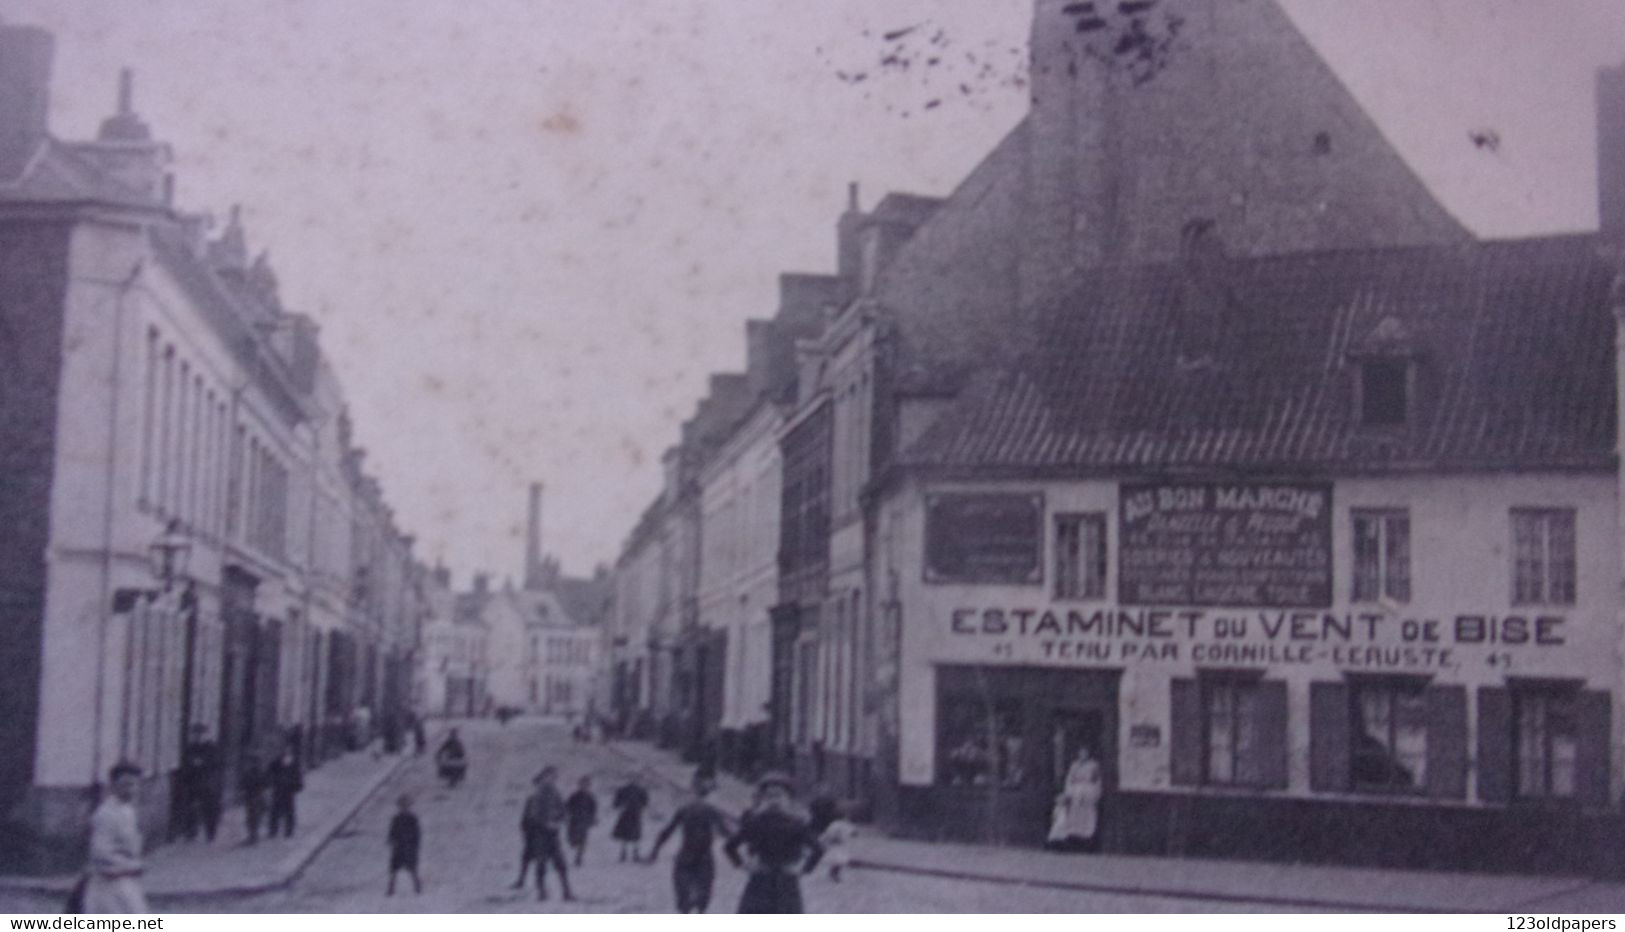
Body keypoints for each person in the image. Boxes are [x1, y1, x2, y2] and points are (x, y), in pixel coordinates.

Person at [724, 771, 823, 914]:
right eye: (770, 796)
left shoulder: (794, 825)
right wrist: (744, 865)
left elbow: (818, 849)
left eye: (779, 796)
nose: (774, 800)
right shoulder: (756, 823)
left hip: (778, 881)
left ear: (789, 799)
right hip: (768, 880)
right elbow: (730, 846)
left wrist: (803, 869)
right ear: (763, 799)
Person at [649, 770, 733, 913]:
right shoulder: (712, 811)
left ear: (693, 793)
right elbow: (727, 833)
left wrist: (655, 851)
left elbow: (667, 832)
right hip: (705, 858)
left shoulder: (685, 810)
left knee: (684, 899)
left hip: (686, 856)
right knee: (702, 898)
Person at [82, 761, 150, 913]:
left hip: (126, 884)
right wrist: (132, 866)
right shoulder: (106, 814)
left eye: (134, 785)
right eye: (125, 784)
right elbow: (100, 853)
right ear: (112, 785)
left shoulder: (127, 811)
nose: (131, 790)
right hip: (108, 886)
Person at [520, 767, 574, 901]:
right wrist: (546, 822)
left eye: (553, 777)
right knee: (541, 863)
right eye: (548, 777)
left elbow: (563, 811)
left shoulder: (556, 793)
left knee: (560, 863)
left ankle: (566, 892)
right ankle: (541, 892)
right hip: (540, 834)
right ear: (543, 778)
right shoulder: (537, 796)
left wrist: (562, 819)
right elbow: (533, 815)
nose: (551, 780)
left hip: (553, 834)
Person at [1046, 746, 1103, 853]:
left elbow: (1097, 781)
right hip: (1075, 794)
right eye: (1081, 752)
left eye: (1085, 752)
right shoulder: (1074, 765)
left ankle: (1087, 839)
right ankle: (1074, 839)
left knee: (1087, 818)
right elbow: (1069, 779)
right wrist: (1068, 792)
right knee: (1073, 817)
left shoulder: (1093, 765)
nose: (1083, 755)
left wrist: (1095, 793)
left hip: (1088, 794)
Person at [177, 725, 221, 843]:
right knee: (191, 807)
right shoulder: (190, 748)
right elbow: (185, 762)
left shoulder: (211, 748)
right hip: (193, 781)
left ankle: (210, 833)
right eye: (196, 734)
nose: (198, 737)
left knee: (209, 808)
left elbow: (216, 764)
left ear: (205, 735)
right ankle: (191, 832)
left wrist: (202, 763)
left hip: (208, 782)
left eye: (200, 734)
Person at [386, 793, 423, 896]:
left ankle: (417, 886)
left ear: (409, 807)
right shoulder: (396, 819)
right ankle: (391, 889)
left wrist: (414, 844)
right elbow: (392, 831)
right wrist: (391, 840)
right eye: (402, 806)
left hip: (409, 847)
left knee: (412, 869)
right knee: (394, 869)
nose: (404, 808)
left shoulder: (413, 819)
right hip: (398, 847)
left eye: (406, 806)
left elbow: (417, 833)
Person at [610, 776, 650, 862]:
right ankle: (624, 852)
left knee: (635, 834)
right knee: (627, 834)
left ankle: (634, 852)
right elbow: (617, 801)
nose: (634, 781)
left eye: (635, 779)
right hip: (628, 813)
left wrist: (640, 807)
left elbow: (645, 802)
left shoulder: (640, 790)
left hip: (635, 813)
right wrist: (620, 805)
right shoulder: (625, 790)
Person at [266, 745, 303, 838]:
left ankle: (289, 830)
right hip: (278, 789)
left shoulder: (294, 763)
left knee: (289, 811)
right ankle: (273, 830)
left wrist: (297, 786)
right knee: (275, 811)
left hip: (288, 790)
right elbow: (269, 772)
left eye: (288, 751)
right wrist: (272, 781)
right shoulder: (276, 762)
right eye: (285, 751)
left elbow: (298, 776)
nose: (286, 753)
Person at [564, 776, 598, 867]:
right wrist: (568, 815)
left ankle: (579, 857)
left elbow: (593, 809)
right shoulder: (574, 796)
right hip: (574, 820)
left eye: (586, 785)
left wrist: (593, 818)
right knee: (572, 839)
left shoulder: (590, 797)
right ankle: (575, 848)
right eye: (583, 784)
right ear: (579, 785)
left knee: (583, 839)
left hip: (584, 821)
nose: (584, 786)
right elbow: (567, 806)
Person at [819, 802, 855, 882]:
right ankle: (834, 874)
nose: (847, 818)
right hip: (836, 844)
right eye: (846, 816)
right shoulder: (836, 824)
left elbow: (852, 832)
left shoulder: (844, 824)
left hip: (842, 845)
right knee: (838, 860)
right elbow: (829, 833)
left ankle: (833, 873)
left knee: (840, 860)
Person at [238, 752, 268, 845]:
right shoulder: (250, 772)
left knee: (254, 817)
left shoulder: (258, 773)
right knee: (251, 817)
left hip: (256, 797)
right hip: (250, 797)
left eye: (253, 762)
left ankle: (253, 837)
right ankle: (252, 836)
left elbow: (264, 784)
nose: (251, 764)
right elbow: (242, 783)